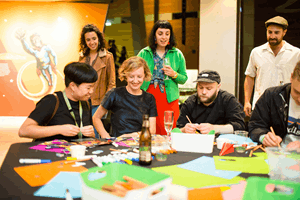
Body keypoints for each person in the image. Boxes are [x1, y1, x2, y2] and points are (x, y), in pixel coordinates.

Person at [18, 62, 98, 141]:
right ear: (72, 86)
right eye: (88, 88)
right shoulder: (51, 101)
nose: (91, 91)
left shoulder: (85, 103)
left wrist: (91, 134)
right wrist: (59, 129)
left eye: (93, 87)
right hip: (50, 152)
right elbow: (24, 131)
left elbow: (89, 137)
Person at [137, 20, 187, 135]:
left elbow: (184, 79)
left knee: (169, 130)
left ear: (170, 36)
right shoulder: (144, 53)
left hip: (169, 98)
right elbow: (134, 73)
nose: (164, 37)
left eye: (167, 34)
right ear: (154, 35)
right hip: (148, 95)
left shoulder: (177, 54)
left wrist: (174, 74)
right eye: (160, 33)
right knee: (149, 130)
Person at [244, 16, 300, 117]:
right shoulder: (256, 52)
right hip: (260, 105)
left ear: (284, 32)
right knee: (259, 132)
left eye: (276, 33)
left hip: (287, 105)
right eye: (270, 32)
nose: (272, 36)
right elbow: (249, 77)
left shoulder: (296, 53)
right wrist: (247, 101)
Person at [93, 56, 157, 138]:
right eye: (131, 76)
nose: (135, 81)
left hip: (140, 142)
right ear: (125, 75)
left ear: (145, 76)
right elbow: (96, 118)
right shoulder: (114, 94)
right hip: (117, 144)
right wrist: (105, 136)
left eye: (139, 77)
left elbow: (152, 130)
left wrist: (131, 136)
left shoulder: (150, 98)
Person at [248, 61, 300, 149]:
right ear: (291, 77)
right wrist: (263, 136)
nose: (299, 99)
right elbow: (254, 126)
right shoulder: (272, 96)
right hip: (275, 155)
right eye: (296, 92)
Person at [176, 70, 245, 134]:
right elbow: (178, 129)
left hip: (222, 143)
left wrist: (214, 128)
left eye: (209, 88)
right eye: (200, 88)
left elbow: (240, 126)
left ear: (218, 87)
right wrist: (184, 130)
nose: (204, 92)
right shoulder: (190, 102)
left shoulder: (228, 100)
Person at [79, 24, 116, 138]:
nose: (92, 42)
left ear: (99, 39)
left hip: (99, 103)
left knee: (95, 136)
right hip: (83, 102)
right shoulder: (82, 57)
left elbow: (112, 84)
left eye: (94, 39)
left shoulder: (108, 57)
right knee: (85, 135)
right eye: (88, 40)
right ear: (85, 42)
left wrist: (105, 104)